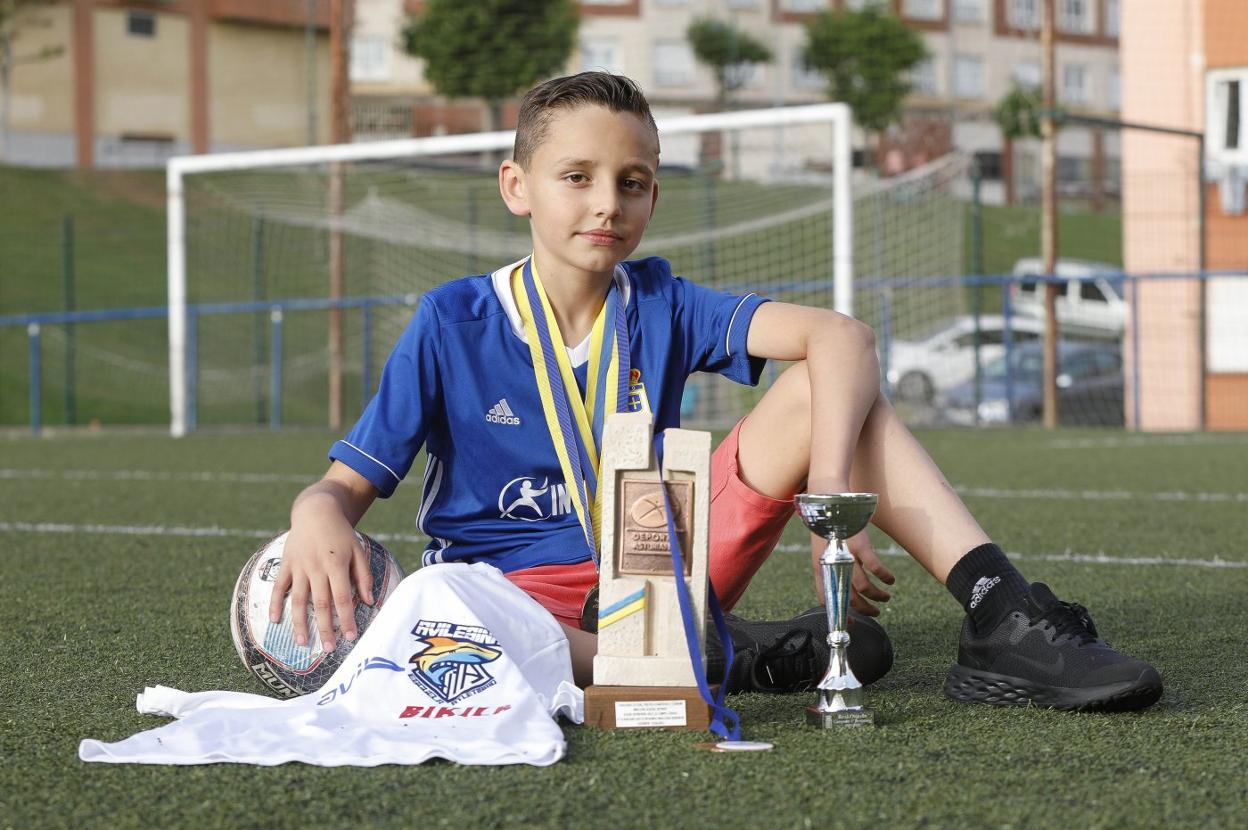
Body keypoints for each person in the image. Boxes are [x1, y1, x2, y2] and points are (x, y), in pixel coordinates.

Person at [271, 72, 1161, 711]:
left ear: (654, 196)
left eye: (632, 182)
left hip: (660, 570)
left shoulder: (659, 300)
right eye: (576, 177)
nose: (606, 202)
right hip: (516, 598)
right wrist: (316, 514)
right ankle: (713, 658)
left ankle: (998, 611)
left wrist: (828, 503)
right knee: (444, 609)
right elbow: (345, 487)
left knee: (828, 388)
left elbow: (842, 337)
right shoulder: (451, 320)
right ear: (517, 187)